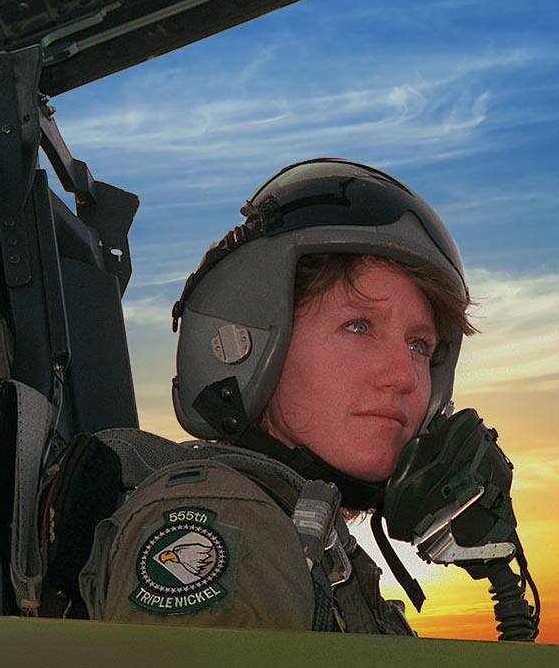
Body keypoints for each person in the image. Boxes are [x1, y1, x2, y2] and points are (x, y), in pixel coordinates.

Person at [78, 158, 475, 634]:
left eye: (419, 345)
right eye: (358, 326)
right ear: (254, 342)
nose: (404, 376)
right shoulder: (228, 523)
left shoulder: (313, 546)